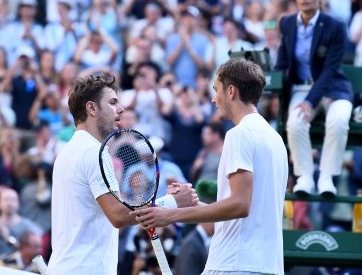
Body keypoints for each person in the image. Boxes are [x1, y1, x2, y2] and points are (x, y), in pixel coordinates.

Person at [131, 58, 289, 275]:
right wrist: (193, 206)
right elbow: (244, 212)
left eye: (216, 89)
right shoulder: (275, 138)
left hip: (235, 264)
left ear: (231, 91)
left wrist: (170, 216)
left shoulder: (239, 134)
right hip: (265, 266)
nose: (214, 98)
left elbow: (240, 206)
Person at [48, 73, 198, 274]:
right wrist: (172, 202)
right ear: (91, 108)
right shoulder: (92, 152)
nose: (121, 109)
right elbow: (117, 215)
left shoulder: (70, 150)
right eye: (112, 103)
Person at [275, 0, 354, 197]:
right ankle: (305, 177)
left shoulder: (335, 26)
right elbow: (282, 62)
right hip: (301, 89)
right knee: (294, 122)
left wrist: (310, 101)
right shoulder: (287, 23)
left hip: (333, 88)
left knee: (339, 120)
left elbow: (329, 71)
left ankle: (326, 176)